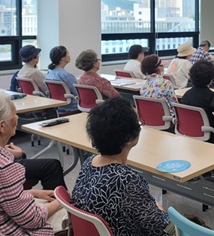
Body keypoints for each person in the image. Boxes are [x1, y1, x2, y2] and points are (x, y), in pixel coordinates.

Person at [71, 98, 175, 236]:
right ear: (128, 138)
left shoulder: (89, 163)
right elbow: (160, 229)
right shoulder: (127, 180)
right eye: (138, 124)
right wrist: (160, 209)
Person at [0, 92, 62, 236]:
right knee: (69, 215)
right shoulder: (5, 168)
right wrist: (62, 201)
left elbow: (4, 197)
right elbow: (33, 220)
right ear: (2, 126)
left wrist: (34, 193)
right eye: (14, 114)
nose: (17, 117)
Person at [179, 60, 214, 144]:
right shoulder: (213, 97)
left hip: (188, 135)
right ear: (211, 78)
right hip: (210, 138)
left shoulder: (186, 95)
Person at [45, 45, 78, 111]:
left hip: (58, 106)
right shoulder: (66, 75)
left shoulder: (49, 73)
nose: (69, 55)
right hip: (71, 106)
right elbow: (77, 93)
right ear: (62, 58)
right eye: (68, 53)